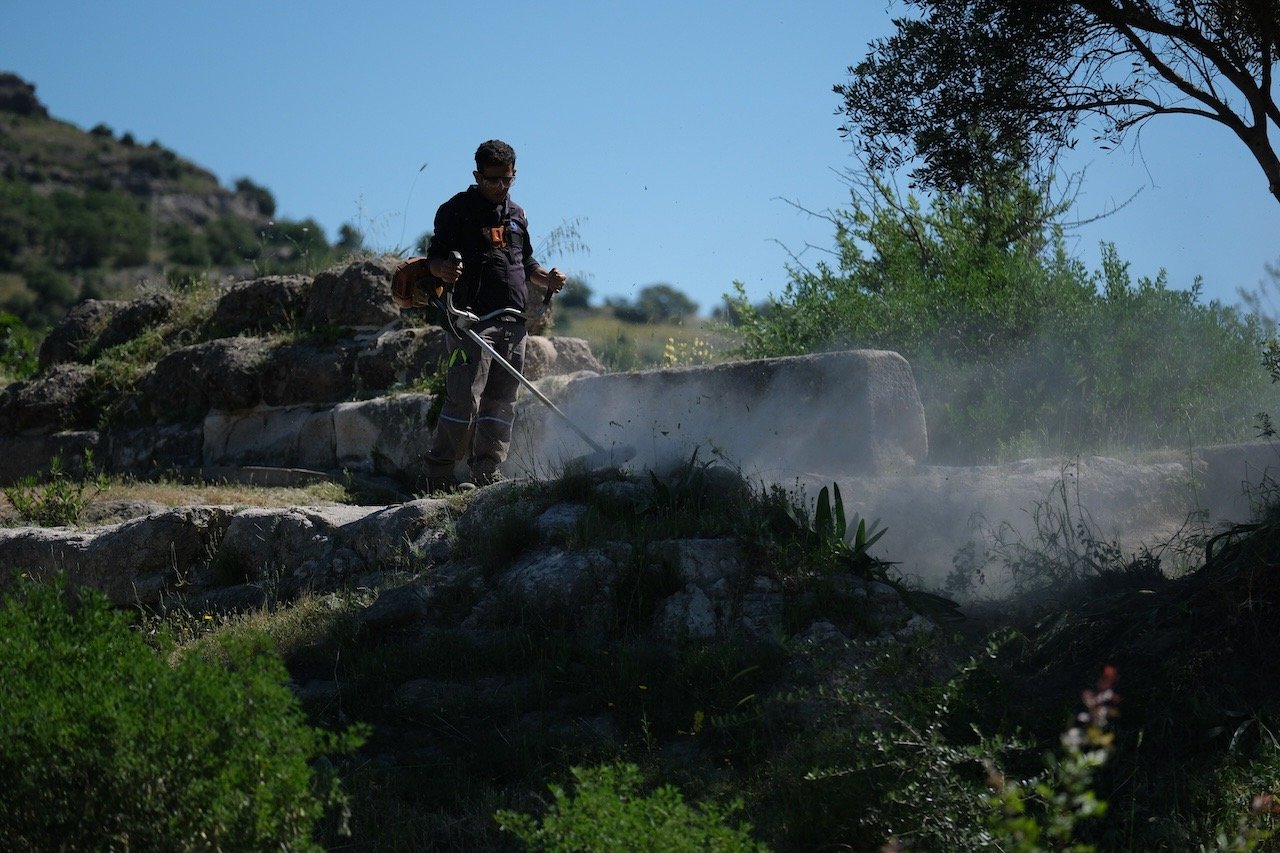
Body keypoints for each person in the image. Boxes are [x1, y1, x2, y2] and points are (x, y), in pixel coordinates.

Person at [419, 139, 566, 491]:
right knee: (463, 398)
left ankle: (486, 474)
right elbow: (434, 259)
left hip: (513, 323)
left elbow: (526, 262)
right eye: (492, 180)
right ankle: (437, 478)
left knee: (501, 403)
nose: (500, 187)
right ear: (477, 175)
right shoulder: (455, 211)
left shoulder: (517, 215)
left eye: (507, 180)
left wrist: (546, 278)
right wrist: (444, 271)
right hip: (470, 322)